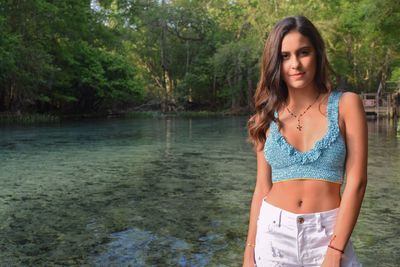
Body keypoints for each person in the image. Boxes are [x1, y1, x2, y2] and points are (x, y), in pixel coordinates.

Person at [244, 16, 367, 267]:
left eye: (303, 52)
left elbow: (357, 182)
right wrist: (249, 253)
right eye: (285, 56)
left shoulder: (346, 105)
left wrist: (335, 251)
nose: (295, 64)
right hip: (272, 235)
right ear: (274, 63)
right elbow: (261, 188)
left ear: (317, 54)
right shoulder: (265, 117)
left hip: (328, 235)